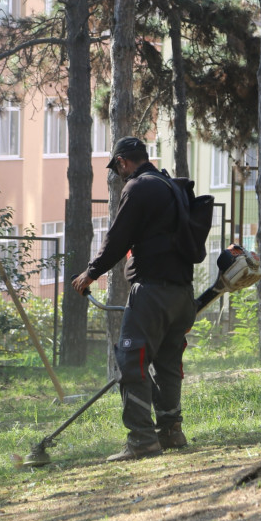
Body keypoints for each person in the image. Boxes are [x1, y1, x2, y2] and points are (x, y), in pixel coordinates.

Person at [71, 137, 197, 462]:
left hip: (152, 291)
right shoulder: (171, 186)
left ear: (124, 162)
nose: (120, 174)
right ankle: (171, 431)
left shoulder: (138, 187)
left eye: (118, 168)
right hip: (182, 293)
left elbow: (118, 236)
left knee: (131, 362)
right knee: (168, 364)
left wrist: (91, 272)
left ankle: (141, 439)